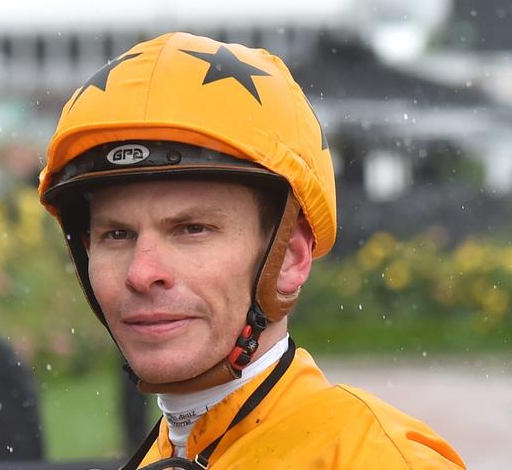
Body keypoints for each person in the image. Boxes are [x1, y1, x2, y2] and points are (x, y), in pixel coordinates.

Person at [38, 32, 466, 469]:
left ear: (290, 258)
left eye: (191, 229)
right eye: (116, 235)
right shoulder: (159, 455)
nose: (141, 272)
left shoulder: (373, 459)